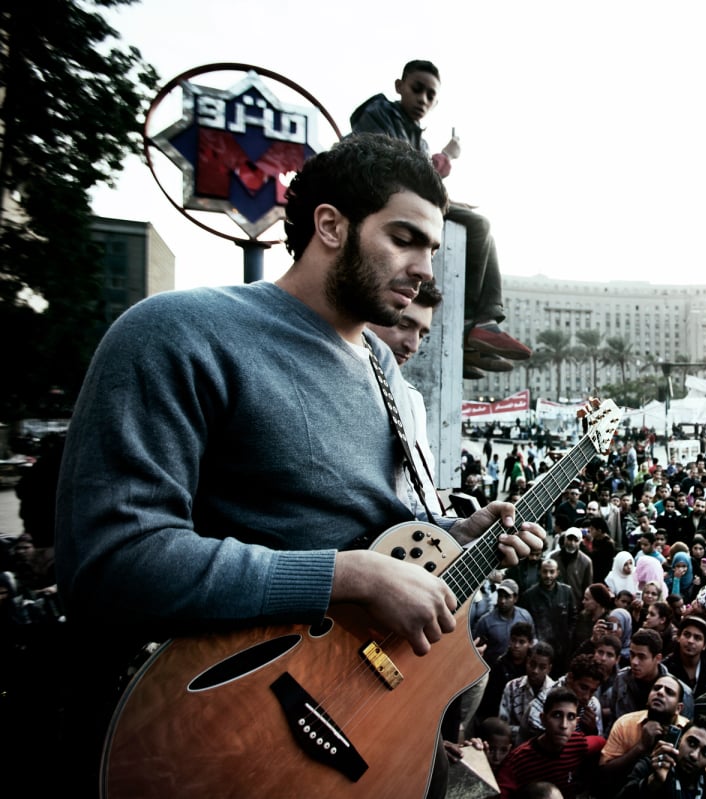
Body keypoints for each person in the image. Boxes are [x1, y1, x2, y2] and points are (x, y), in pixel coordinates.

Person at [54, 133, 547, 798]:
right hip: (218, 745)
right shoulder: (180, 332)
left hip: (363, 743)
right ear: (330, 226)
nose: (424, 270)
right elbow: (114, 564)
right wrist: (350, 574)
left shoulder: (388, 377)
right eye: (404, 238)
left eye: (432, 249)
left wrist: (453, 536)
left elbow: (359, 528)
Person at [349, 60, 530, 378]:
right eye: (417, 89)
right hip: (383, 202)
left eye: (431, 95)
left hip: (408, 202)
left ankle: (477, 331)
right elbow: (397, 171)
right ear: (399, 86)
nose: (423, 99)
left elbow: (421, 181)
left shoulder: (416, 136)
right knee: (478, 226)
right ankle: (473, 326)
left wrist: (448, 199)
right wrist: (446, 157)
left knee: (479, 226)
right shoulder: (378, 114)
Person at [495, 686, 606, 799]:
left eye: (570, 717)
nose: (564, 725)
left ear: (576, 722)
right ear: (543, 719)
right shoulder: (518, 761)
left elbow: (601, 743)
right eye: (557, 715)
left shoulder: (577, 743)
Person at [615, 716, 706, 799]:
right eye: (691, 743)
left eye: (705, 753)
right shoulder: (649, 767)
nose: (694, 755)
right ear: (680, 739)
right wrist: (652, 783)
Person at [499, 640, 555, 745]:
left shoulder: (555, 692)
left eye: (542, 667)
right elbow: (503, 725)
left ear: (549, 669)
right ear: (527, 661)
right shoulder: (512, 687)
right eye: (532, 664)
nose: (535, 671)